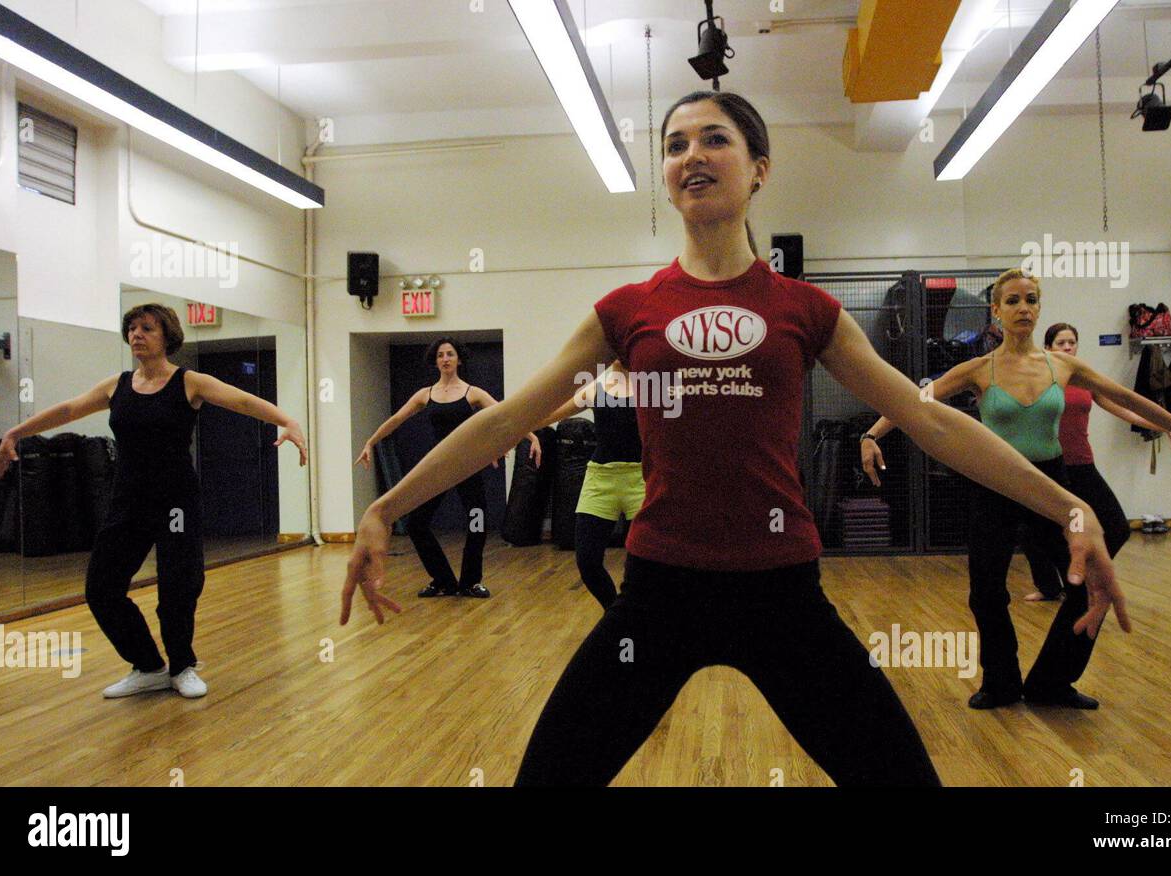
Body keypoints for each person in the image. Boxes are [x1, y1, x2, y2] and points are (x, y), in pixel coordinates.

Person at [341, 91, 1129, 786]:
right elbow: (508, 420)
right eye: (675, 144)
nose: (692, 155)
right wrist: (387, 509)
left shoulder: (806, 309)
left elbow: (928, 418)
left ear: (759, 169)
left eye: (714, 138)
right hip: (659, 593)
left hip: (781, 593)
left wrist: (1069, 510)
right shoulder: (626, 311)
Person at [861, 272, 1171, 710]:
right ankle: (1000, 684)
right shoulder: (979, 369)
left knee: (1084, 587)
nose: (1024, 308)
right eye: (1014, 301)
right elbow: (915, 401)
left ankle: (1052, 683)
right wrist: (872, 433)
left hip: (1050, 486)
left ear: (1039, 309)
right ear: (996, 311)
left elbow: (1124, 397)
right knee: (986, 592)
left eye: (1031, 300)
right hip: (994, 487)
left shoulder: (1064, 366)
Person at [0, 303, 307, 698]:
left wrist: (287, 422)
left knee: (179, 586)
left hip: (175, 503)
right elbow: (68, 409)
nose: (137, 334)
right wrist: (15, 432)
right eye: (132, 328)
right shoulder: (115, 386)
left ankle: (182, 665)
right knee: (101, 588)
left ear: (166, 336)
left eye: (147, 328)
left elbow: (240, 401)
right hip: (129, 501)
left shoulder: (189, 382)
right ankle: (148, 666)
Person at [356, 337, 541, 598]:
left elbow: (505, 415)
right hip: (438, 469)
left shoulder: (472, 393)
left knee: (476, 524)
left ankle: (471, 582)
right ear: (436, 360)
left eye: (450, 354)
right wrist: (370, 442)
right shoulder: (425, 394)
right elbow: (397, 419)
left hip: (468, 466)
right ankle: (442, 579)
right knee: (417, 524)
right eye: (441, 355)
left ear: (459, 359)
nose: (445, 359)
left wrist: (531, 437)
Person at [1020, 323, 1171, 601]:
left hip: (1082, 464)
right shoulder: (1042, 379)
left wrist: (1164, 425)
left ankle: (1084, 577)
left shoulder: (1085, 380)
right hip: (1050, 464)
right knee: (1038, 532)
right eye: (1061, 343)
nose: (1067, 347)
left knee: (1116, 527)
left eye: (1071, 342)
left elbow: (1122, 407)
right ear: (1048, 347)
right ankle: (1050, 588)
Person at [543, 360, 643, 610]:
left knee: (643, 567)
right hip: (600, 479)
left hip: (642, 479)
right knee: (587, 561)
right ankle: (615, 615)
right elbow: (548, 415)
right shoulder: (594, 388)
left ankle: (635, 621)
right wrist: (517, 432)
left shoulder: (653, 388)